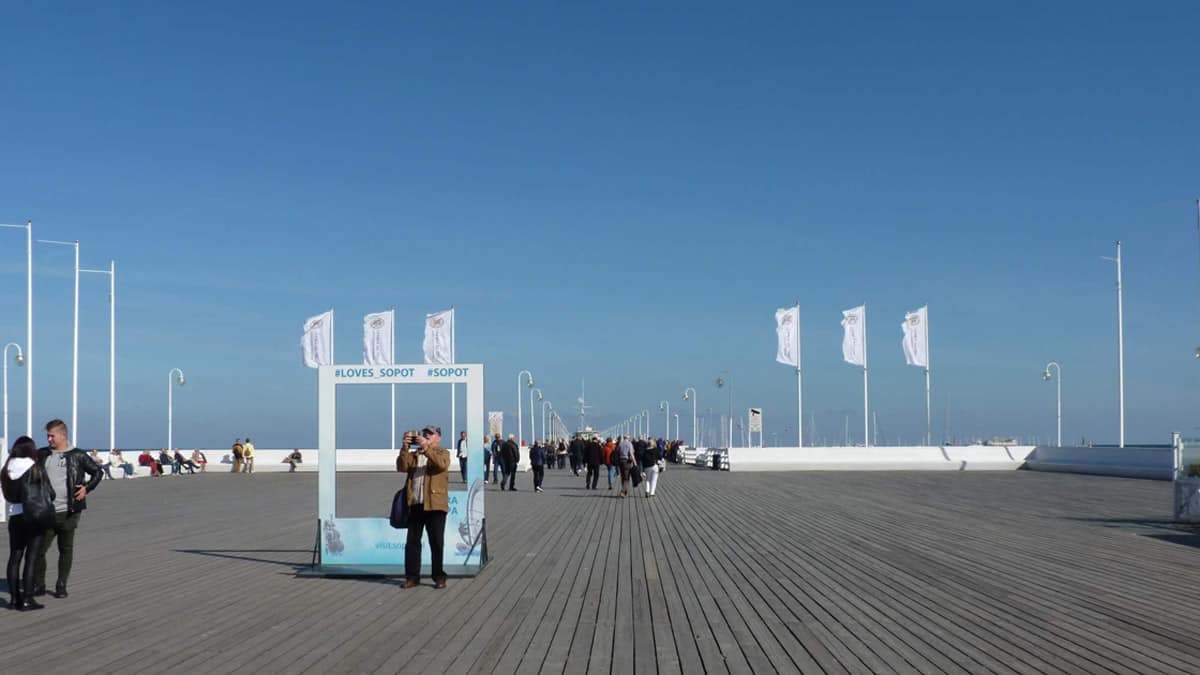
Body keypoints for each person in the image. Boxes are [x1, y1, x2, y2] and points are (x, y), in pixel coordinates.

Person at [34, 419, 102, 599]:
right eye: (47, 436)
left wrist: (87, 488)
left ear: (63, 435)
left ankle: (61, 584)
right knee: (39, 550)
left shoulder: (78, 455)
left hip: (70, 511)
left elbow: (97, 472)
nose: (49, 439)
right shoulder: (42, 454)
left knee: (66, 548)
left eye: (52, 436)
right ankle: (39, 584)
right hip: (46, 511)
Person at [396, 426, 450, 589]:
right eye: (424, 433)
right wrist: (405, 447)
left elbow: (441, 465)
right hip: (416, 503)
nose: (426, 436)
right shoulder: (415, 455)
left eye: (430, 434)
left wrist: (426, 448)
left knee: (436, 542)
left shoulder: (442, 453)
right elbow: (402, 466)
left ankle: (439, 576)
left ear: (438, 438)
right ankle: (412, 577)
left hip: (435, 505)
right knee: (412, 543)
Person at [3, 436, 52, 610]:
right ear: (30, 450)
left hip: (14, 516)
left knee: (14, 557)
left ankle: (14, 599)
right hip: (33, 516)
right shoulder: (34, 467)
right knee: (31, 557)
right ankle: (27, 599)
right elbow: (49, 492)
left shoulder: (6, 468)